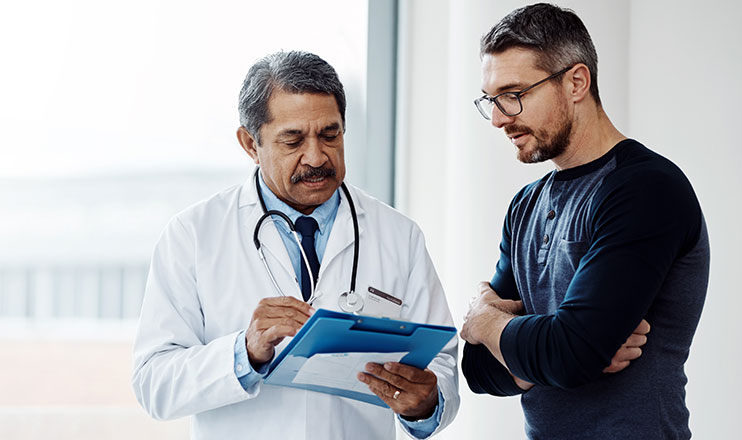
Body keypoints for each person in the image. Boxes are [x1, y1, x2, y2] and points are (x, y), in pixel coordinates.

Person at [132, 51, 459, 440]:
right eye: (293, 140)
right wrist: (245, 353)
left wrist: (425, 405)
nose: (317, 157)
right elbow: (154, 384)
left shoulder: (398, 235)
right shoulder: (194, 235)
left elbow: (441, 365)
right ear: (250, 144)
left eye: (330, 134)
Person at [460, 3, 709, 439]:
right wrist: (555, 352)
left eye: (514, 94)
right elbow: (478, 369)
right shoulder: (524, 207)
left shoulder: (646, 189)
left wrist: (485, 322)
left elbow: (570, 352)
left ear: (576, 82)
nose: (499, 118)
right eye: (492, 100)